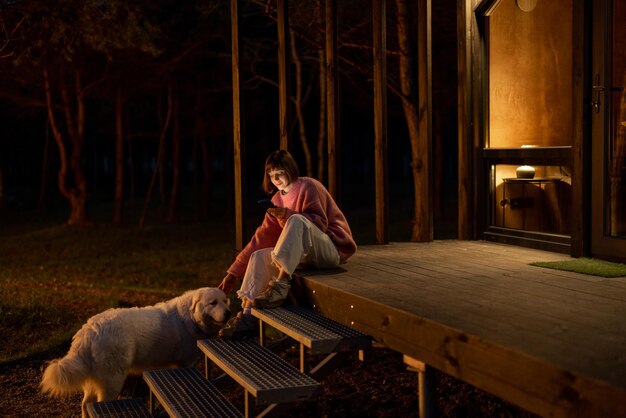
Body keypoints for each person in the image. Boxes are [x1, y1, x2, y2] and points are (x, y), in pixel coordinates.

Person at [218, 149, 357, 338]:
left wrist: (289, 215)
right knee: (258, 256)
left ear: (289, 169)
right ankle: (248, 316)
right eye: (271, 175)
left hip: (330, 249)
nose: (275, 179)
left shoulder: (309, 187)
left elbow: (320, 224)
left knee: (297, 221)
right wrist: (233, 273)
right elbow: (262, 238)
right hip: (302, 255)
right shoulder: (276, 199)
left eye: (279, 173)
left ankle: (280, 285)